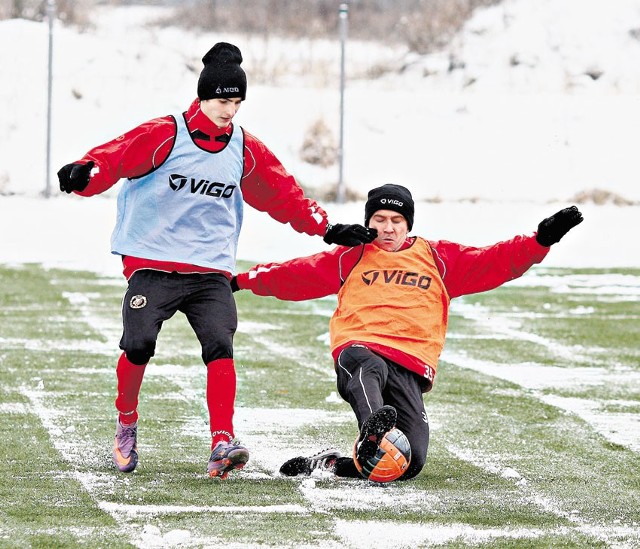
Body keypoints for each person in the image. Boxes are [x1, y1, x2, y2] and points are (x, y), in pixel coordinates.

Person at [57, 42, 376, 479]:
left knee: (220, 347)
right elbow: (112, 158)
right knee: (138, 345)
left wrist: (327, 229)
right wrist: (84, 172)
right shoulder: (165, 134)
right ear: (203, 97)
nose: (230, 110)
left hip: (210, 270)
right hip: (154, 265)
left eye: (237, 102)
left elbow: (284, 196)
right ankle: (126, 424)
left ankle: (222, 441)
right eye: (223, 101)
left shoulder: (244, 148)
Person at [232, 184, 584, 481]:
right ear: (368, 222)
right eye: (379, 220)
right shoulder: (352, 256)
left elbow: (495, 260)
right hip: (361, 345)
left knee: (407, 463)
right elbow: (295, 273)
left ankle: (330, 464)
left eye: (396, 221)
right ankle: (374, 428)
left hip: (411, 363)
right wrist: (240, 280)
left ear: (407, 225)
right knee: (366, 366)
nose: (387, 227)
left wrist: (541, 239)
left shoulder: (437, 257)